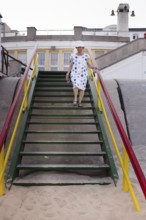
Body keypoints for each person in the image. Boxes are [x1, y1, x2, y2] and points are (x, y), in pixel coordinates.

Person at [66, 41, 98, 107]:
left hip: (83, 74)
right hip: (75, 73)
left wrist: (94, 67)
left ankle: (80, 102)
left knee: (82, 88)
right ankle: (75, 99)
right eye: (78, 47)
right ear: (76, 48)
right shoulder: (73, 56)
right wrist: (67, 73)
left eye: (81, 47)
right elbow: (71, 65)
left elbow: (89, 65)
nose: (79, 48)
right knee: (76, 85)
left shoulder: (86, 56)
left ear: (83, 48)